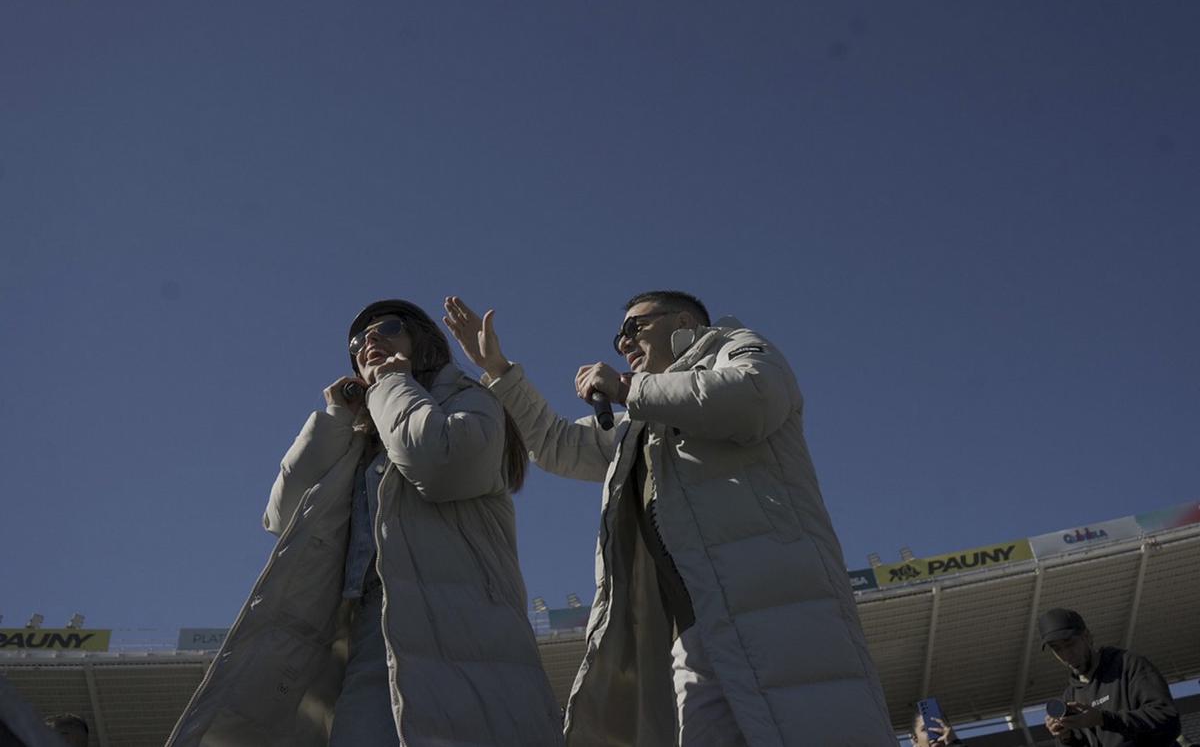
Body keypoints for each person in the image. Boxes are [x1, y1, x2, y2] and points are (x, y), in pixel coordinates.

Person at [443, 291, 894, 746]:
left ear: (683, 322)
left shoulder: (733, 347)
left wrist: (625, 390)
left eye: (633, 328)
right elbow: (556, 443)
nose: (622, 344)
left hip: (776, 611)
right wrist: (498, 371)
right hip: (694, 634)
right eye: (618, 336)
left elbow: (755, 398)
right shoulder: (642, 423)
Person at [167, 300, 563, 747]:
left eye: (387, 329)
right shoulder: (361, 435)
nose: (369, 341)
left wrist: (393, 381)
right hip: (369, 633)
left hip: (465, 632)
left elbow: (439, 464)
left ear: (422, 340)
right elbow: (282, 516)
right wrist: (336, 419)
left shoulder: (469, 398)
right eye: (358, 341)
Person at [1040, 607, 1180, 746]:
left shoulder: (1128, 665)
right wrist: (1066, 738)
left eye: (1069, 643)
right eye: (1056, 648)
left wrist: (1103, 719)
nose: (1066, 654)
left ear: (1087, 636)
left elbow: (1167, 719)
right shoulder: (1070, 697)